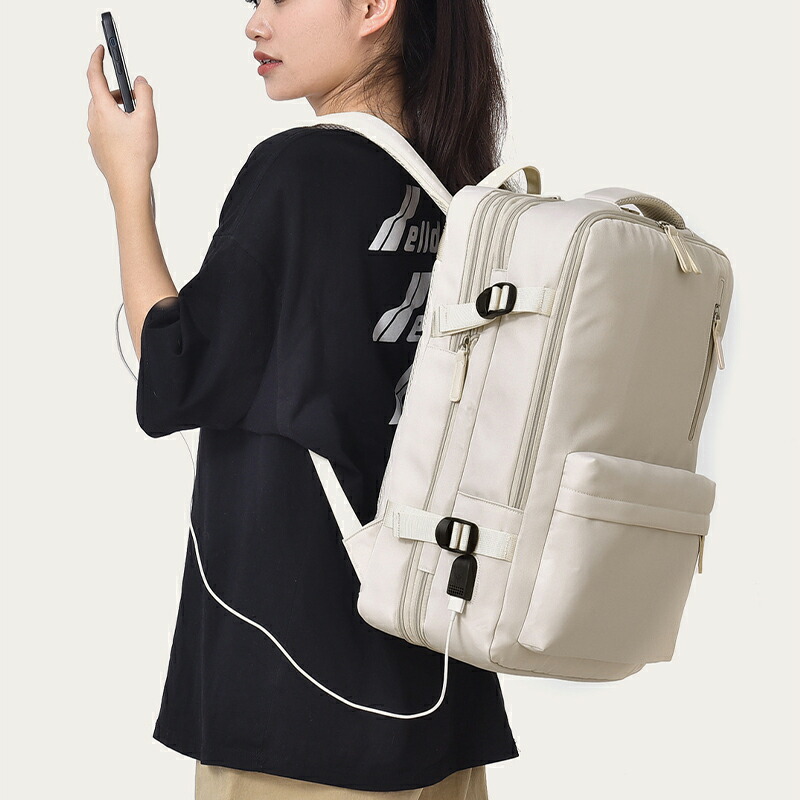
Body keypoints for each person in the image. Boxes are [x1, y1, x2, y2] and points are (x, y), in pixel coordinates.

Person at [87, 0, 520, 796]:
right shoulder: (460, 194)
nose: (255, 25)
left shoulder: (298, 171)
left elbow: (174, 377)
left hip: (298, 708)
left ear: (373, 8)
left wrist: (127, 182)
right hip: (440, 702)